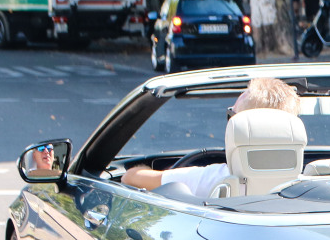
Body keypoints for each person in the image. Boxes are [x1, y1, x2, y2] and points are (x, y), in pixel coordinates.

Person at [121, 78, 301, 196]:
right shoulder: (310, 185)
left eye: (232, 116)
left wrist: (160, 171)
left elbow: (130, 178)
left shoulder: (215, 179)